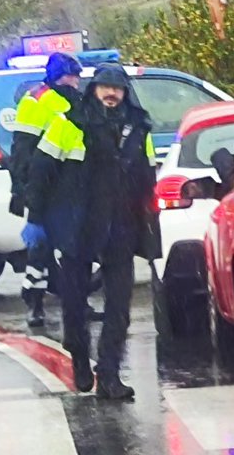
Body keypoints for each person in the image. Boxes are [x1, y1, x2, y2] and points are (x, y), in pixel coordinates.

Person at [25, 65, 155, 400]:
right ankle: (79, 357)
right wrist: (35, 218)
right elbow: (41, 171)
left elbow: (146, 176)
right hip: (78, 225)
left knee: (119, 306)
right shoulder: (69, 123)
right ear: (93, 90)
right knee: (73, 302)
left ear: (125, 93)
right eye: (105, 88)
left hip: (121, 225)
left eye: (118, 89)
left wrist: (149, 221)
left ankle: (109, 373)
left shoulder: (139, 127)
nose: (112, 94)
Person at [9, 52, 83, 327]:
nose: (75, 82)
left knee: (72, 248)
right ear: (57, 77)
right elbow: (23, 150)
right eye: (70, 76)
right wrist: (25, 189)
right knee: (40, 249)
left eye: (76, 77)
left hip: (68, 184)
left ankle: (77, 302)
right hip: (42, 184)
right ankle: (34, 302)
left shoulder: (72, 99)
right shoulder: (37, 101)